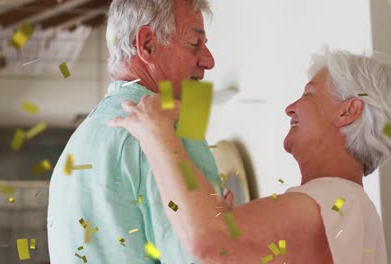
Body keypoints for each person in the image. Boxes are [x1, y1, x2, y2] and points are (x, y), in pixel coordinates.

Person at [107, 49, 389, 263]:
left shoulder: (337, 200)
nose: (290, 108)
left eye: (309, 95)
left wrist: (157, 134)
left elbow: (209, 242)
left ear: (347, 112)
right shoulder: (351, 206)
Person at [47, 1, 227, 263]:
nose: (209, 61)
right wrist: (230, 228)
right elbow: (209, 256)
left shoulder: (79, 142)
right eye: (194, 43)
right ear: (147, 44)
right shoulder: (167, 128)